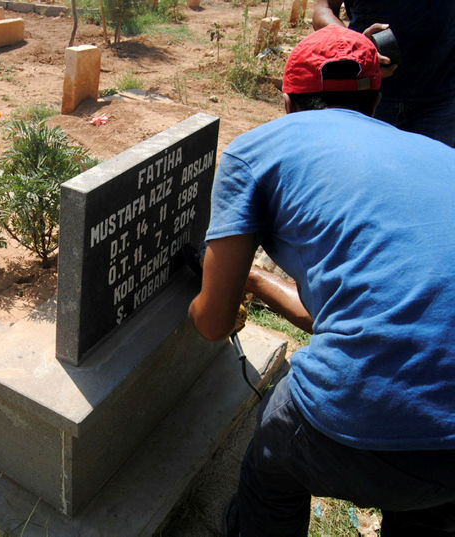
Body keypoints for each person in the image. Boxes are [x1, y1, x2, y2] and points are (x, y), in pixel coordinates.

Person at [188, 25, 455, 536]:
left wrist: (202, 302)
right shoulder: (437, 152)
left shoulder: (255, 151)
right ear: (375, 102)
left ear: (288, 100)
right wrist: (260, 284)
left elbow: (212, 323)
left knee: (270, 462)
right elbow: (384, 304)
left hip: (363, 418)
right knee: (427, 506)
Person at [312, 0, 455, 147]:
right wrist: (355, 43)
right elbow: (323, 9)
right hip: (364, 97)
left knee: (432, 167)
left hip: (439, 102)